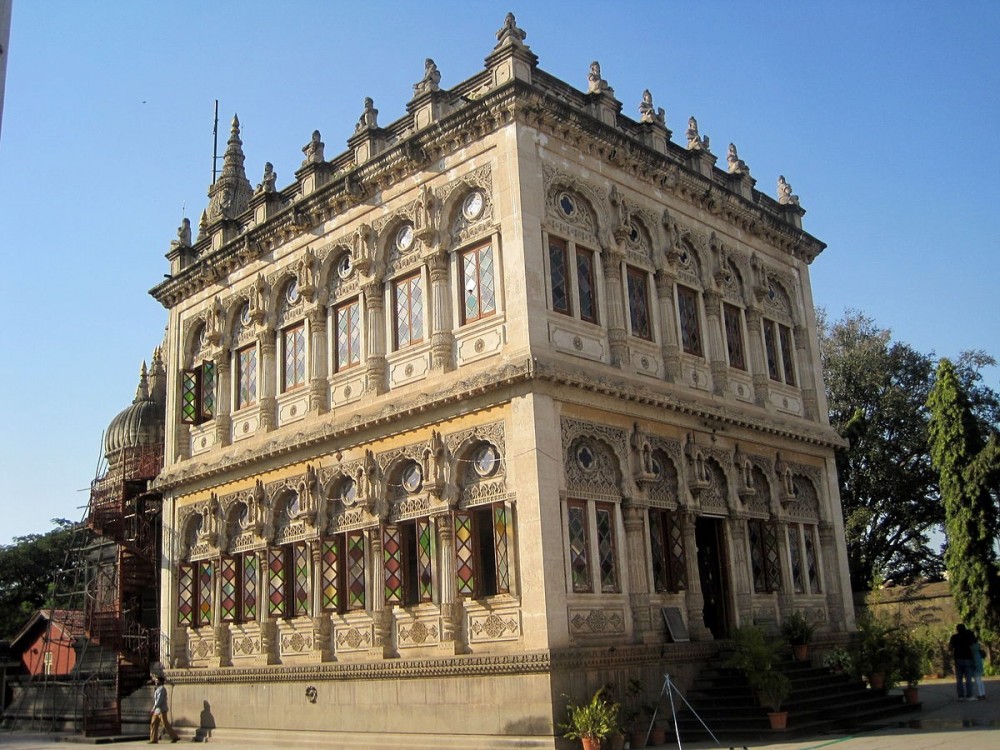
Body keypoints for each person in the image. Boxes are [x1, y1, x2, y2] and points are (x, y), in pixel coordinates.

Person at [949, 623, 977, 701]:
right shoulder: (968, 636)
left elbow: (950, 648)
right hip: (968, 658)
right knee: (968, 679)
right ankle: (969, 696)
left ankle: (960, 696)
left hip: (958, 659)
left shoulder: (954, 637)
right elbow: (974, 643)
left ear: (957, 629)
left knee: (959, 679)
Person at [149, 675, 179, 743]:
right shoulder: (157, 689)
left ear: (161, 682)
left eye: (157, 680)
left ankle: (175, 737)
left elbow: (159, 700)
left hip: (161, 710)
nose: (156, 682)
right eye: (156, 680)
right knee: (153, 723)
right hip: (157, 710)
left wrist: (153, 708)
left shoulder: (162, 689)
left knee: (165, 724)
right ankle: (153, 739)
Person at [972, 633, 987, 700]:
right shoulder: (977, 646)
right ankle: (983, 693)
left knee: (977, 679)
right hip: (979, 661)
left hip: (975, 662)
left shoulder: (972, 647)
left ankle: (980, 694)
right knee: (980, 679)